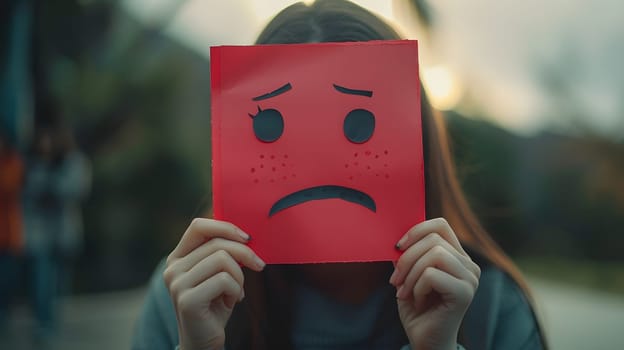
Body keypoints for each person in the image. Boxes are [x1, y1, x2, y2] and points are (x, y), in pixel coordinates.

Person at [132, 1, 547, 349]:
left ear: (418, 140)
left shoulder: (488, 306)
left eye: (361, 124)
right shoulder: (186, 295)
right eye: (269, 125)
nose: (315, 162)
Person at [22, 123, 91, 337]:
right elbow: (26, 190)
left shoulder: (74, 162)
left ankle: (54, 320)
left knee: (59, 280)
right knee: (42, 277)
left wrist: (52, 182)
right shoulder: (35, 164)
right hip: (39, 233)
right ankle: (44, 322)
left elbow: (75, 190)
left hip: (64, 233)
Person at [0, 132, 24, 329]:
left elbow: (9, 185)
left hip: (9, 235)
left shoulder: (13, 163)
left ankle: (5, 314)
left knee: (7, 281)